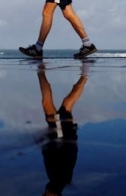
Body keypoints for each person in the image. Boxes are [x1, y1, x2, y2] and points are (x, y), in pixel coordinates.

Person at [35, 62, 89, 196]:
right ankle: (86, 71)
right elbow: (67, 154)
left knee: (60, 104)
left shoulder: (59, 181)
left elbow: (63, 155)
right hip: (62, 136)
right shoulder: (58, 181)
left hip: (62, 136)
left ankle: (85, 73)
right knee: (63, 104)